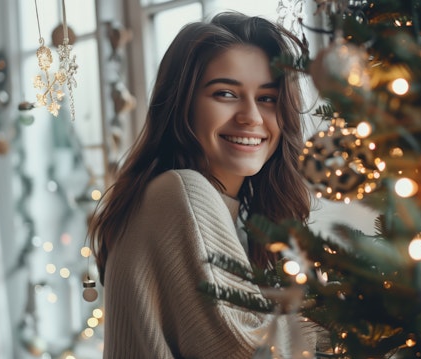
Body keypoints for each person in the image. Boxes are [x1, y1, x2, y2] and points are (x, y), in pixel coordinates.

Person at [88, 11, 322, 359]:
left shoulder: (220, 207)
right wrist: (343, 310)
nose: (252, 117)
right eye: (226, 93)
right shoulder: (182, 191)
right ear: (183, 104)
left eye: (267, 98)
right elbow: (251, 352)